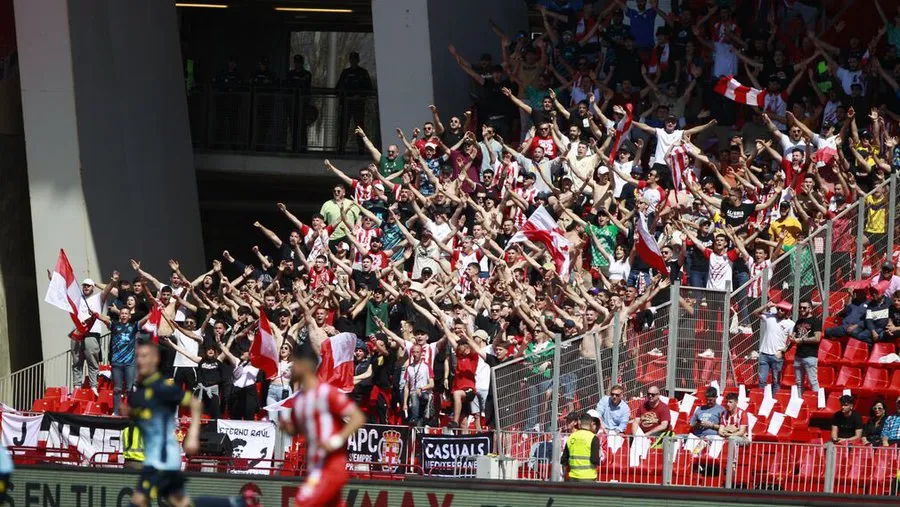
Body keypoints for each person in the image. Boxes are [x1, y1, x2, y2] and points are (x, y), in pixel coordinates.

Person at [279, 340, 366, 507]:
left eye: (294, 363)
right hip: (315, 467)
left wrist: (334, 441)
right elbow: (297, 430)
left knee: (302, 503)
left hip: (330, 466)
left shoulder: (326, 393)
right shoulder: (299, 401)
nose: (291, 368)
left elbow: (357, 418)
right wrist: (286, 427)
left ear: (304, 365)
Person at [126, 340, 203, 507]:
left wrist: (192, 437)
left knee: (139, 501)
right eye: (138, 356)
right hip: (154, 459)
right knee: (178, 501)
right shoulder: (137, 393)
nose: (140, 360)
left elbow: (195, 403)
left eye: (145, 356)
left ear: (155, 359)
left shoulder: (163, 388)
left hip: (163, 459)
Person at [753, 301, 796, 391]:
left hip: (777, 355)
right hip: (764, 353)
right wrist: (766, 305)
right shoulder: (770, 316)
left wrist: (783, 351)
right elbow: (755, 313)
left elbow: (792, 340)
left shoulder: (791, 324)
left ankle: (774, 400)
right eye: (779, 309)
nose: (780, 311)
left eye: (783, 310)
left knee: (776, 381)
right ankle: (760, 398)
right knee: (762, 380)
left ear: (787, 312)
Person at [336, 51, 373, 152]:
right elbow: (338, 87)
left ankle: (361, 148)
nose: (353, 61)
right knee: (344, 125)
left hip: (358, 104)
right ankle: (341, 148)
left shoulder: (363, 73)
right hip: (347, 103)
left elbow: (369, 88)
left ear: (358, 60)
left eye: (355, 59)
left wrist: (360, 95)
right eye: (352, 59)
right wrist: (345, 96)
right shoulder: (346, 73)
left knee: (359, 126)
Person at [787, 300, 822, 393]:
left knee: (812, 381)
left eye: (804, 308)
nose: (801, 309)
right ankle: (799, 402)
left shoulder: (815, 321)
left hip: (810, 356)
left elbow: (817, 338)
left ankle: (818, 402)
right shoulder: (799, 321)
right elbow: (794, 336)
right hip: (798, 355)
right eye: (800, 308)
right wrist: (791, 339)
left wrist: (802, 340)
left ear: (810, 309)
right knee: (798, 383)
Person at [561, 412, 600, 482]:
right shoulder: (594, 438)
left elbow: (564, 461)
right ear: (591, 423)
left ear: (579, 422)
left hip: (573, 477)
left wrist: (565, 477)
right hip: (588, 478)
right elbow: (595, 460)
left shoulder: (571, 437)